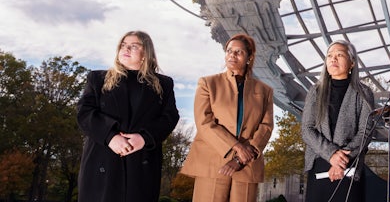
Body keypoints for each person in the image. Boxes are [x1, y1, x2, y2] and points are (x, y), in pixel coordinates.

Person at [76, 30, 180, 202]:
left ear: (146, 53)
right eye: (123, 45)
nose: (126, 49)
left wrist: (145, 138)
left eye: (133, 46)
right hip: (102, 158)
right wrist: (110, 137)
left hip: (141, 162)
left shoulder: (164, 84)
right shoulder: (97, 78)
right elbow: (85, 112)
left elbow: (169, 118)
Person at [181, 33, 274, 202]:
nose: (232, 55)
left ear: (249, 57)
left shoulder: (265, 91)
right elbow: (204, 123)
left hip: (247, 164)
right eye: (229, 50)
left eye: (238, 52)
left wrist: (241, 158)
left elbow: (266, 127)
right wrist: (237, 147)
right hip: (212, 163)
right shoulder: (208, 84)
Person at [302, 40, 376, 202]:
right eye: (330, 56)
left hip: (349, 165)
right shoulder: (315, 91)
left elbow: (366, 131)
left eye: (339, 55)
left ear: (352, 63)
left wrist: (340, 160)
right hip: (319, 163)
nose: (333, 59)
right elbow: (307, 130)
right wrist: (331, 155)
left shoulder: (364, 93)